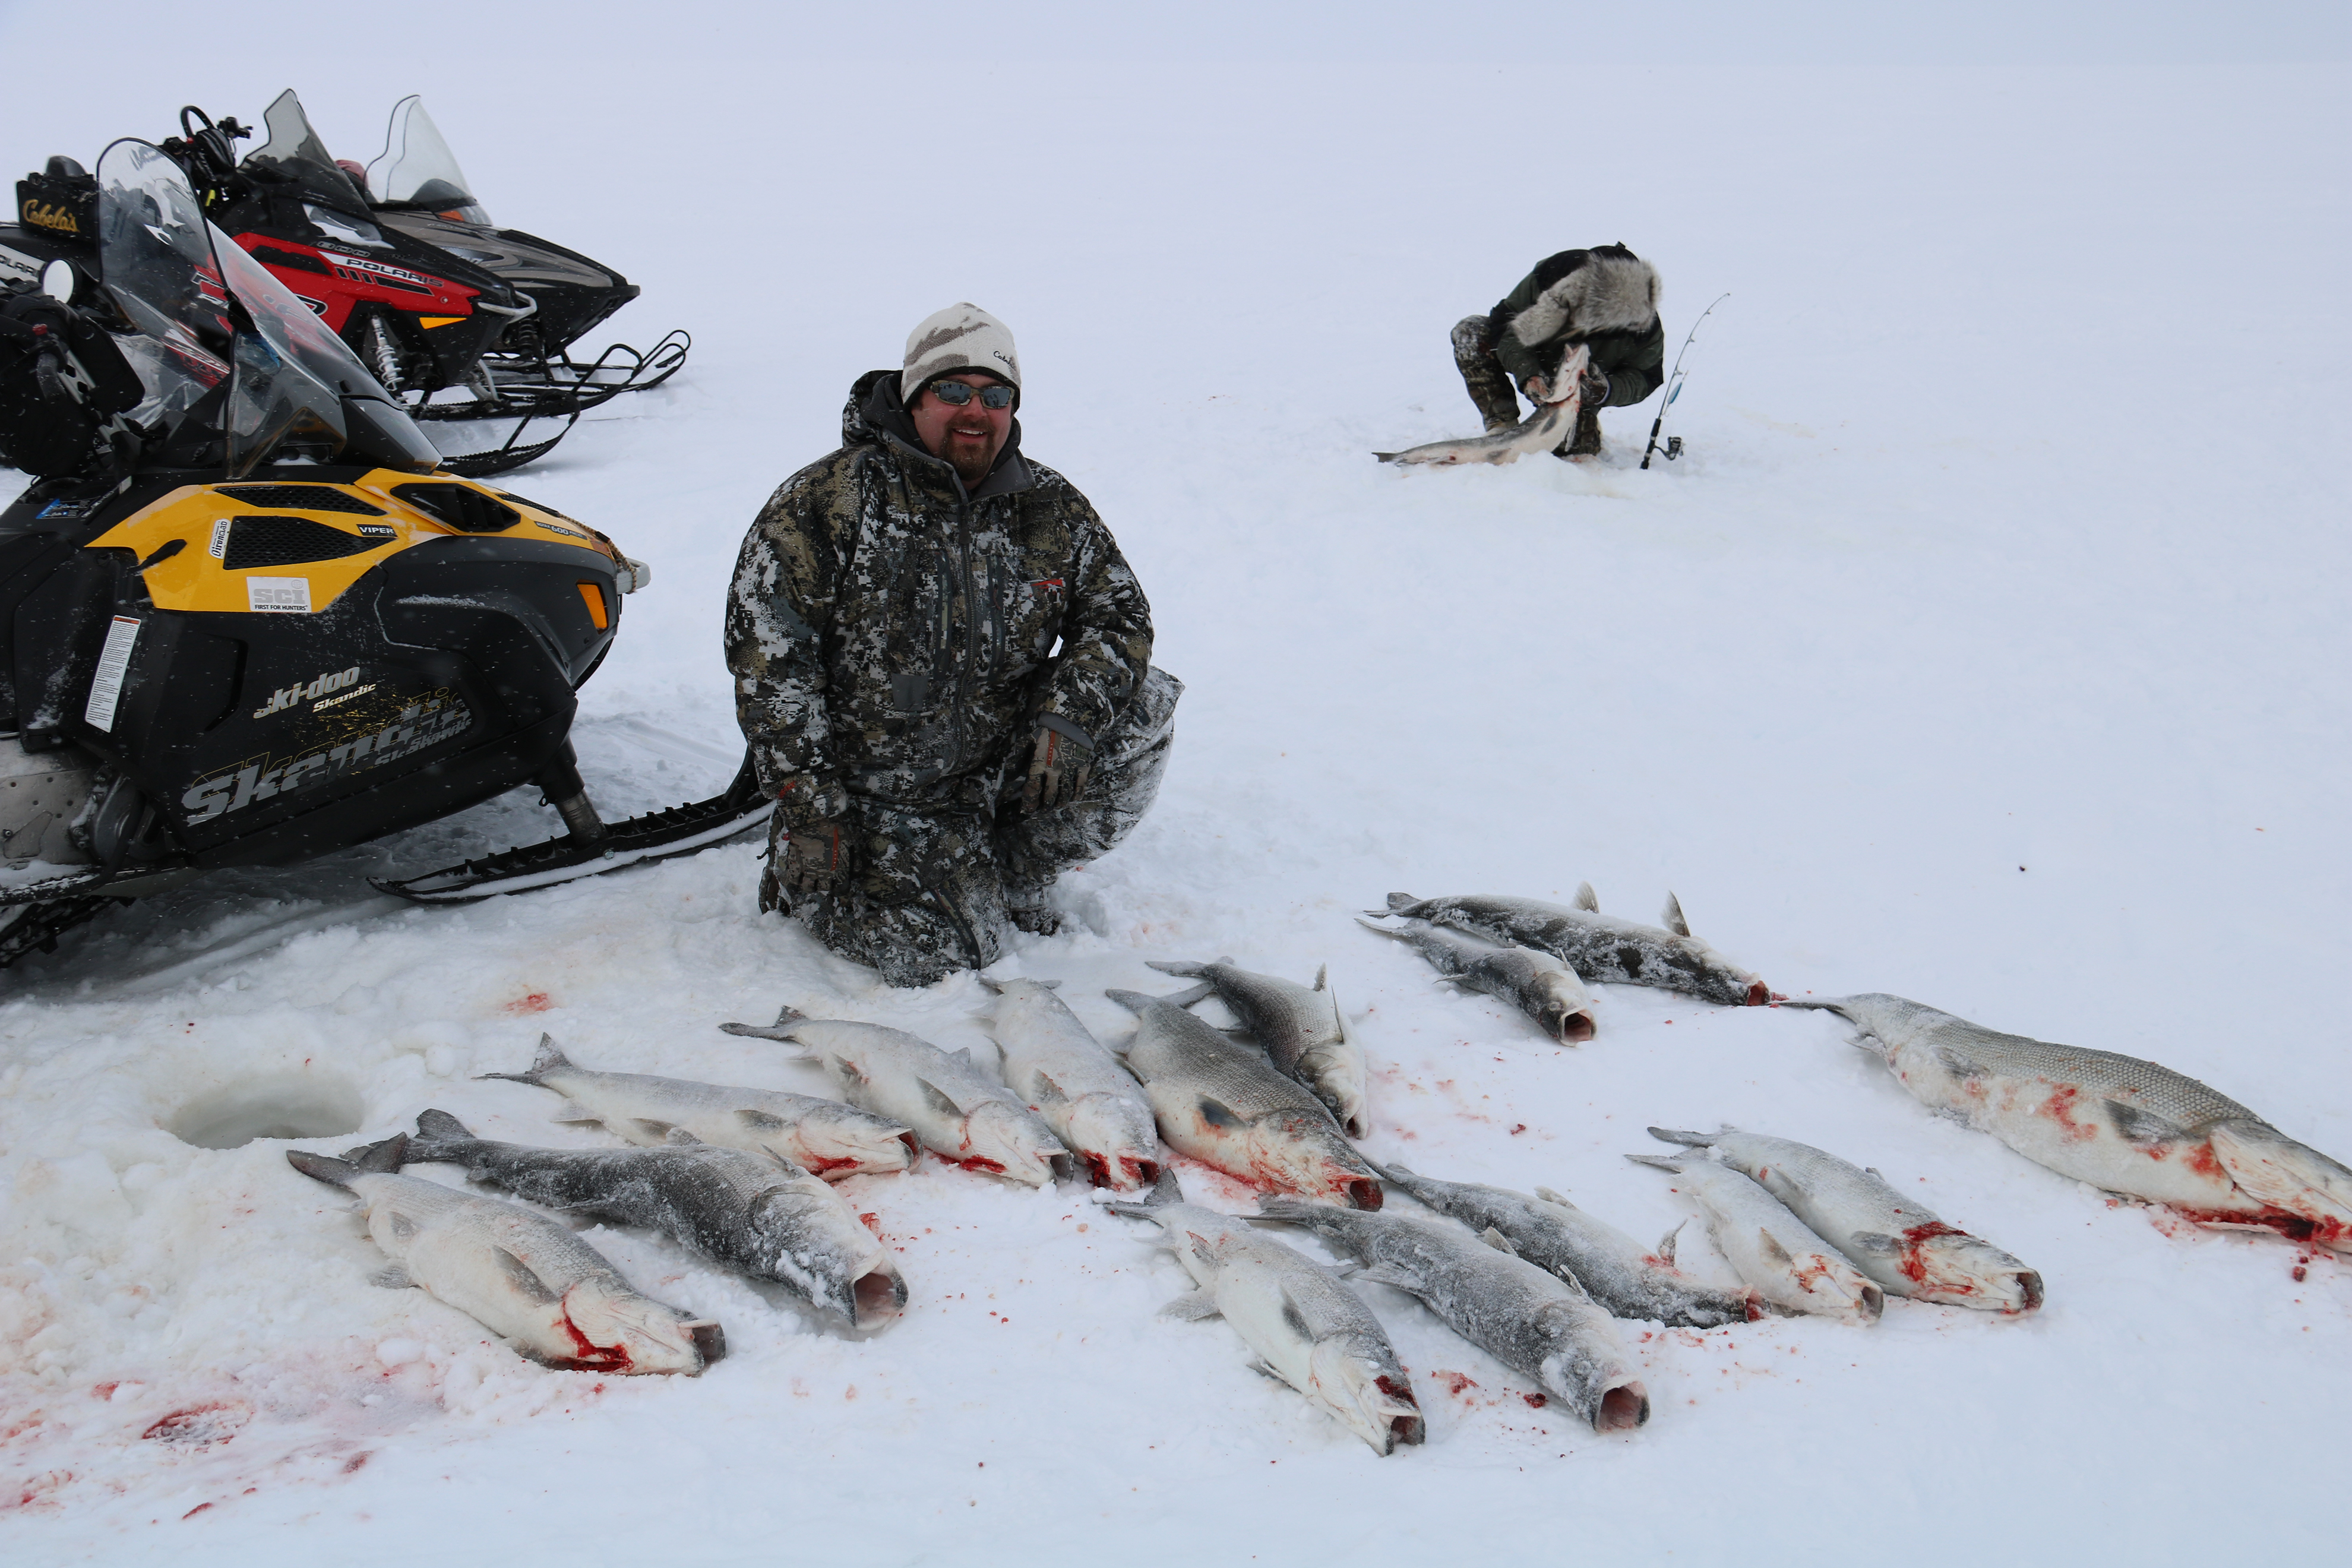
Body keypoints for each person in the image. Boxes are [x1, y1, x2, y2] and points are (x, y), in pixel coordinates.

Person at [725, 303, 1179, 987]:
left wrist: (1069, 714)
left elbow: (1118, 616)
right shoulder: (827, 503)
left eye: (995, 395)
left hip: (997, 766)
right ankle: (831, 884)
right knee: (956, 966)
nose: (976, 410)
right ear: (913, 398)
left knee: (1144, 704)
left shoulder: (1047, 504)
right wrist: (811, 806)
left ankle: (1004, 870)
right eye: (953, 391)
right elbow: (772, 674)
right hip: (880, 794)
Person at [1450, 244, 1664, 458]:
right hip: (1535, 355)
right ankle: (1502, 424)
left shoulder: (1644, 324)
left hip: (1580, 391)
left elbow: (1645, 376)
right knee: (1471, 333)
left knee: (1570, 452)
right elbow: (1505, 326)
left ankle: (1583, 422)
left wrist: (1606, 390)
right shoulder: (1552, 275)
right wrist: (1528, 373)